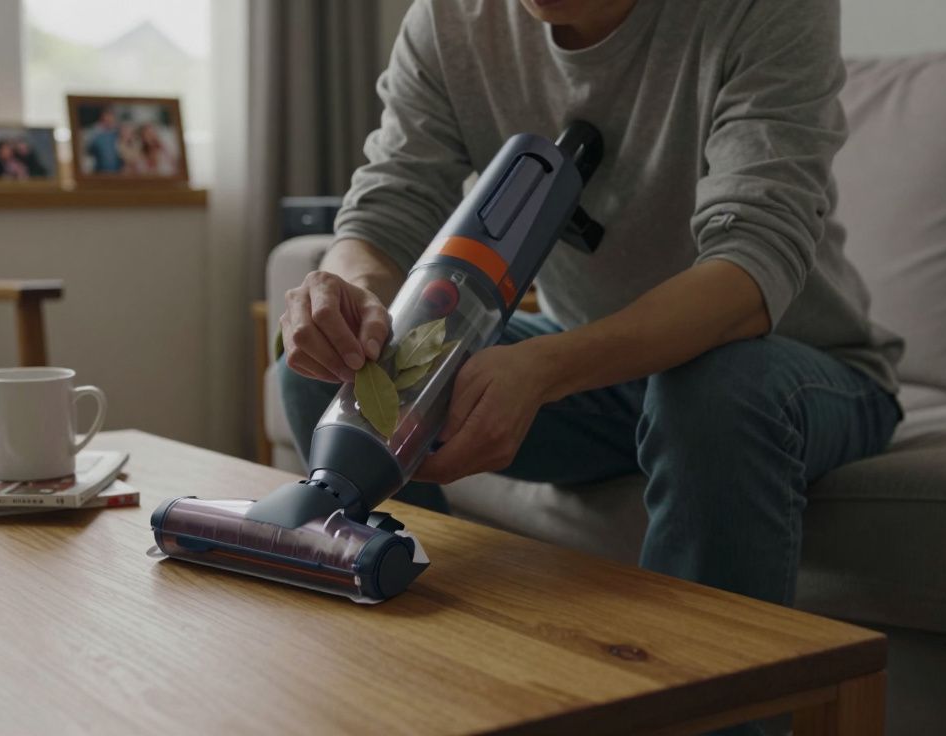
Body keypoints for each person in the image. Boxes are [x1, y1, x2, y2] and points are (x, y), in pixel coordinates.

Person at [278, 3, 903, 732]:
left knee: (712, 393)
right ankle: (430, 691)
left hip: (795, 366)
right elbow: (386, 213)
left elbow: (748, 270)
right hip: (605, 370)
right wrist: (347, 293)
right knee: (327, 373)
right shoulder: (452, 20)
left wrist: (543, 371)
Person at [85, 108, 122, 173]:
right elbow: (89, 150)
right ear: (102, 118)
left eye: (111, 118)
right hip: (100, 170)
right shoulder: (94, 133)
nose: (109, 120)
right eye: (106, 117)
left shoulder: (118, 131)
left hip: (117, 170)